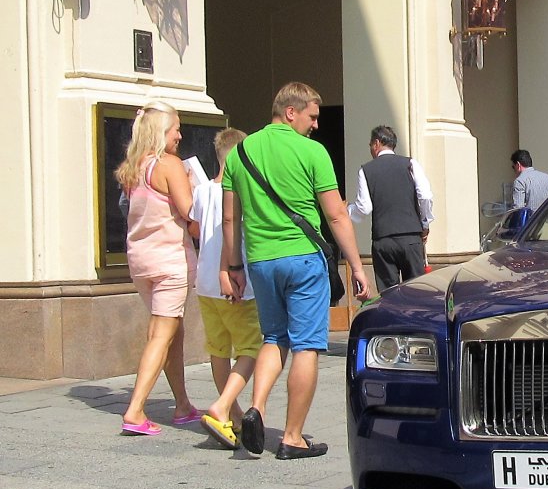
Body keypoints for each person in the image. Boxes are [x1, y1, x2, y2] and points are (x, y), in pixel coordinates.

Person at [222, 82, 372, 459]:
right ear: (291, 112)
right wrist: (356, 265)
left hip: (260, 260)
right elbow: (336, 213)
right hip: (304, 258)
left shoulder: (240, 152)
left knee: (273, 337)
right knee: (306, 345)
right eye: (312, 116)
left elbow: (230, 218)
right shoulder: (312, 152)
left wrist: (233, 265)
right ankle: (292, 436)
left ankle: (256, 408)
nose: (316, 125)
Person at [116, 101, 201, 435]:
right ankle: (135, 410)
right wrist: (196, 188)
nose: (180, 135)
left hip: (141, 260)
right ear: (161, 132)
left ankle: (182, 404)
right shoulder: (169, 165)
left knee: (171, 331)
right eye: (176, 128)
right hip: (170, 260)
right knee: (162, 333)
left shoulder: (133, 168)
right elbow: (190, 213)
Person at [190, 128, 262, 450]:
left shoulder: (202, 190)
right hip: (236, 280)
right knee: (252, 349)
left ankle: (231, 415)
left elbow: (195, 224)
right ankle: (222, 406)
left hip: (205, 282)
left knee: (218, 350)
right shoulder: (239, 191)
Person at [347, 124, 434, 291]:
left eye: (371, 145)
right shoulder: (410, 164)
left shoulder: (366, 170)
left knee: (388, 295)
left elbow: (364, 208)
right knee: (417, 293)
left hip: (383, 240)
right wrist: (425, 223)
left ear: (377, 143)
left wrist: (347, 211)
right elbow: (425, 196)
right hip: (410, 237)